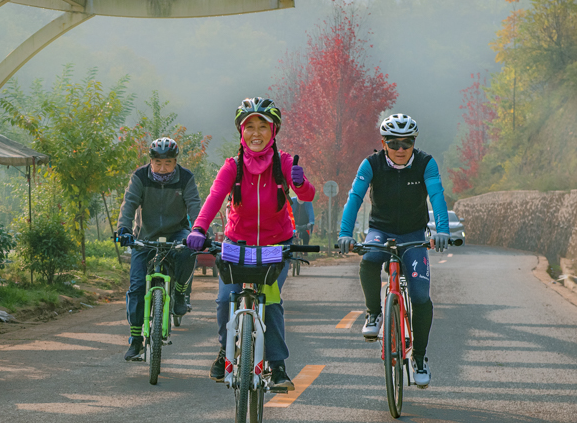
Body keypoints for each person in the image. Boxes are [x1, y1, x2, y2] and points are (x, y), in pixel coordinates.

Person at [187, 97, 315, 391]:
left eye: (263, 127)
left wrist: (300, 182)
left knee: (270, 302)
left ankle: (278, 366)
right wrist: (198, 228)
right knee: (224, 300)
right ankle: (225, 351)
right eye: (249, 127)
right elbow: (214, 199)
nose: (256, 133)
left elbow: (307, 196)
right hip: (237, 244)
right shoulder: (232, 167)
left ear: (274, 131)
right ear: (241, 132)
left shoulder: (284, 164)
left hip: (275, 245)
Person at [337, 113, 451, 388]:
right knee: (369, 258)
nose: (401, 149)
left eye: (407, 143)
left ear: (414, 142)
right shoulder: (371, 164)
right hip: (381, 231)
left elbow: (436, 196)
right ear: (384, 142)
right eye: (394, 142)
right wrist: (344, 234)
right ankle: (374, 313)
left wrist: (442, 230)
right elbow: (355, 198)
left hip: (413, 234)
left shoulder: (426, 163)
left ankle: (420, 358)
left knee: (421, 296)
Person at [116, 137, 202, 361]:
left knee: (188, 251)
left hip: (177, 232)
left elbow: (194, 205)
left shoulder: (186, 178)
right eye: (158, 163)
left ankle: (181, 291)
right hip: (146, 235)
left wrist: (199, 230)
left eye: (168, 163)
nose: (163, 168)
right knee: (136, 287)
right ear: (151, 161)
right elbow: (129, 204)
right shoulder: (139, 177)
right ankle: (136, 340)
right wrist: (124, 229)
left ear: (176, 162)